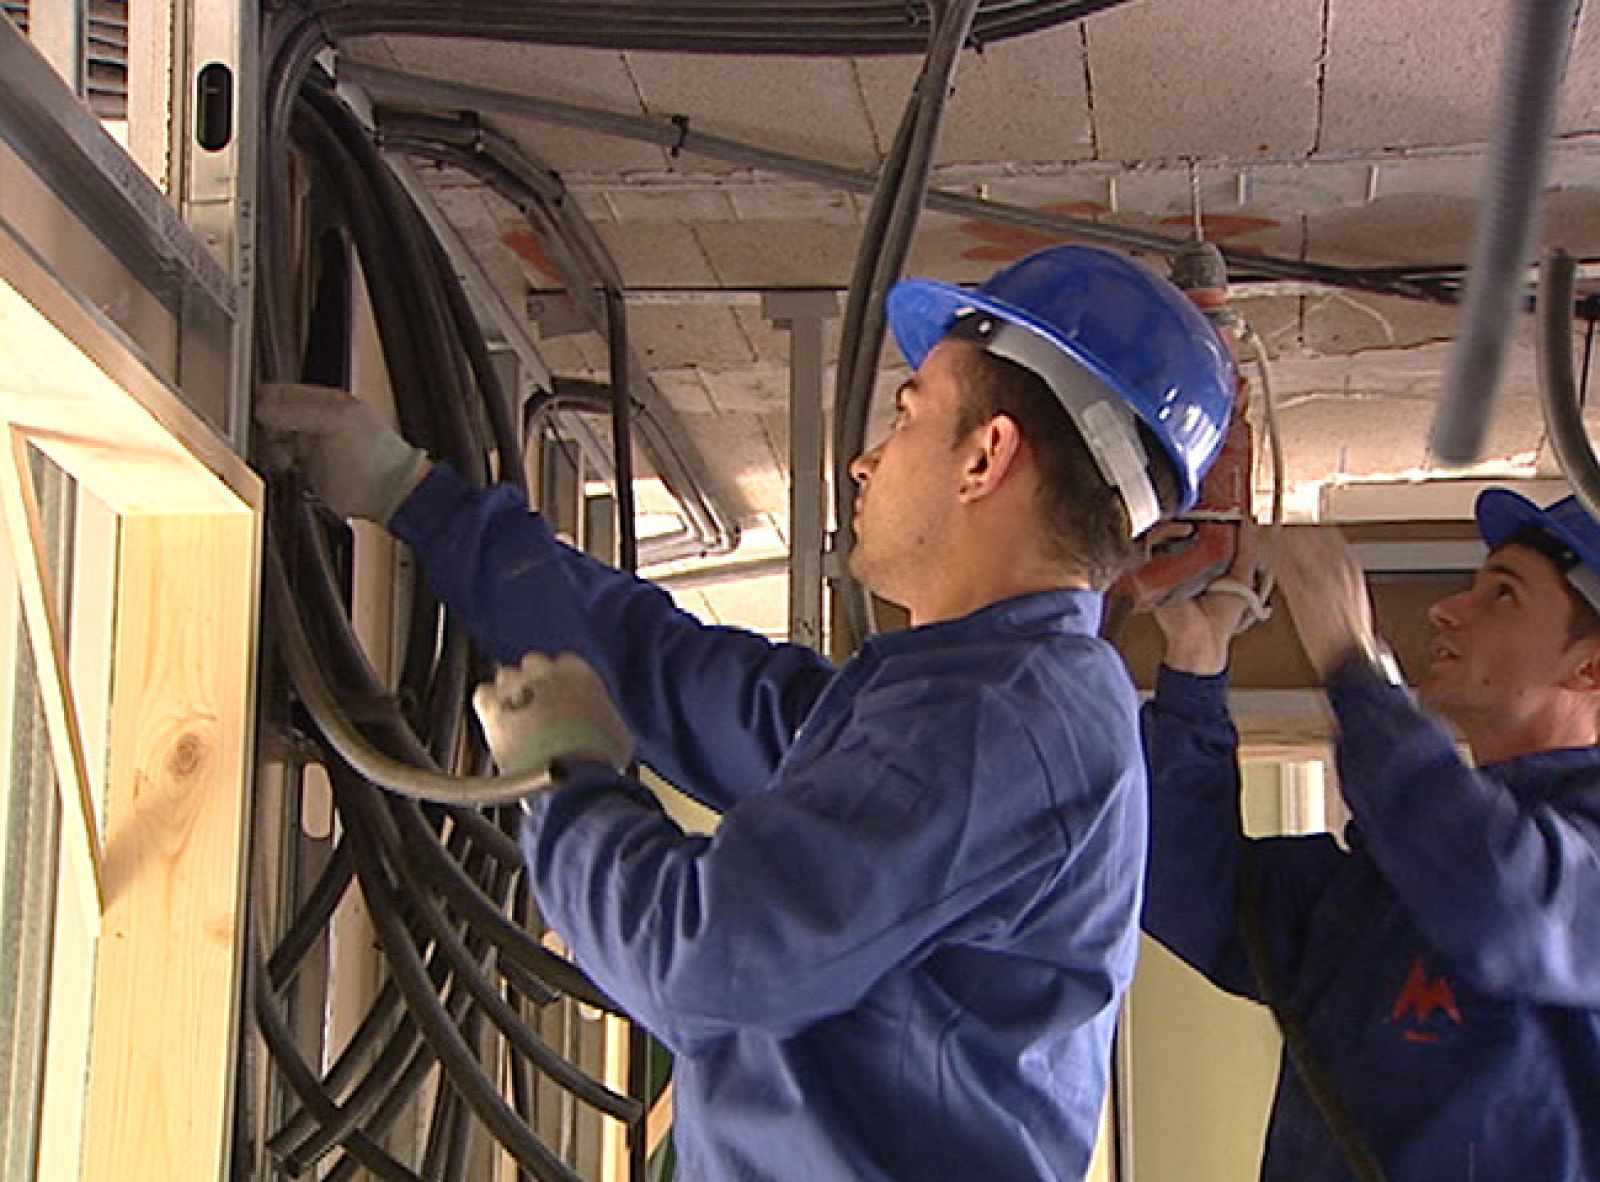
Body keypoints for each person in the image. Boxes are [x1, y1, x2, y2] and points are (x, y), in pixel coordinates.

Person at [258, 243, 1235, 1181]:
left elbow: (701, 959)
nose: (864, 461)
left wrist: (567, 775)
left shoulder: (1008, 724)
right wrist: (416, 495)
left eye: (906, 417)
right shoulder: (970, 695)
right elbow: (666, 671)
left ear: (986, 456)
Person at [1142, 493, 1600, 1181]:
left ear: (1590, 669)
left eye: (1504, 595)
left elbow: (1500, 899)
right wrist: (1195, 660)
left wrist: (1352, 664)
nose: (1448, 610)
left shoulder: (1524, 866)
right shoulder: (1396, 874)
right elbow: (1196, 892)